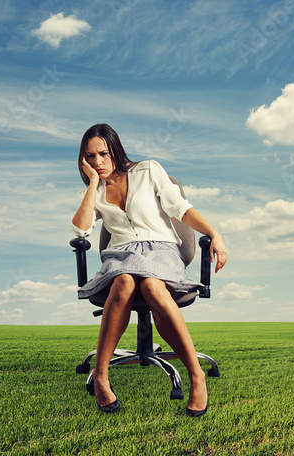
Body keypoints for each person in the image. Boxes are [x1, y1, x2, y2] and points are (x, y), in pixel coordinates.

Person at [71, 124, 227, 417]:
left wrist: (214, 233)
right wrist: (93, 184)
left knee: (152, 287)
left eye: (103, 154)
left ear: (115, 150)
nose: (98, 162)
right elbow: (81, 229)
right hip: (120, 256)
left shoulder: (148, 170)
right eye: (90, 157)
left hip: (161, 251)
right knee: (125, 282)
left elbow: (181, 209)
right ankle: (102, 377)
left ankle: (196, 375)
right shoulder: (94, 191)